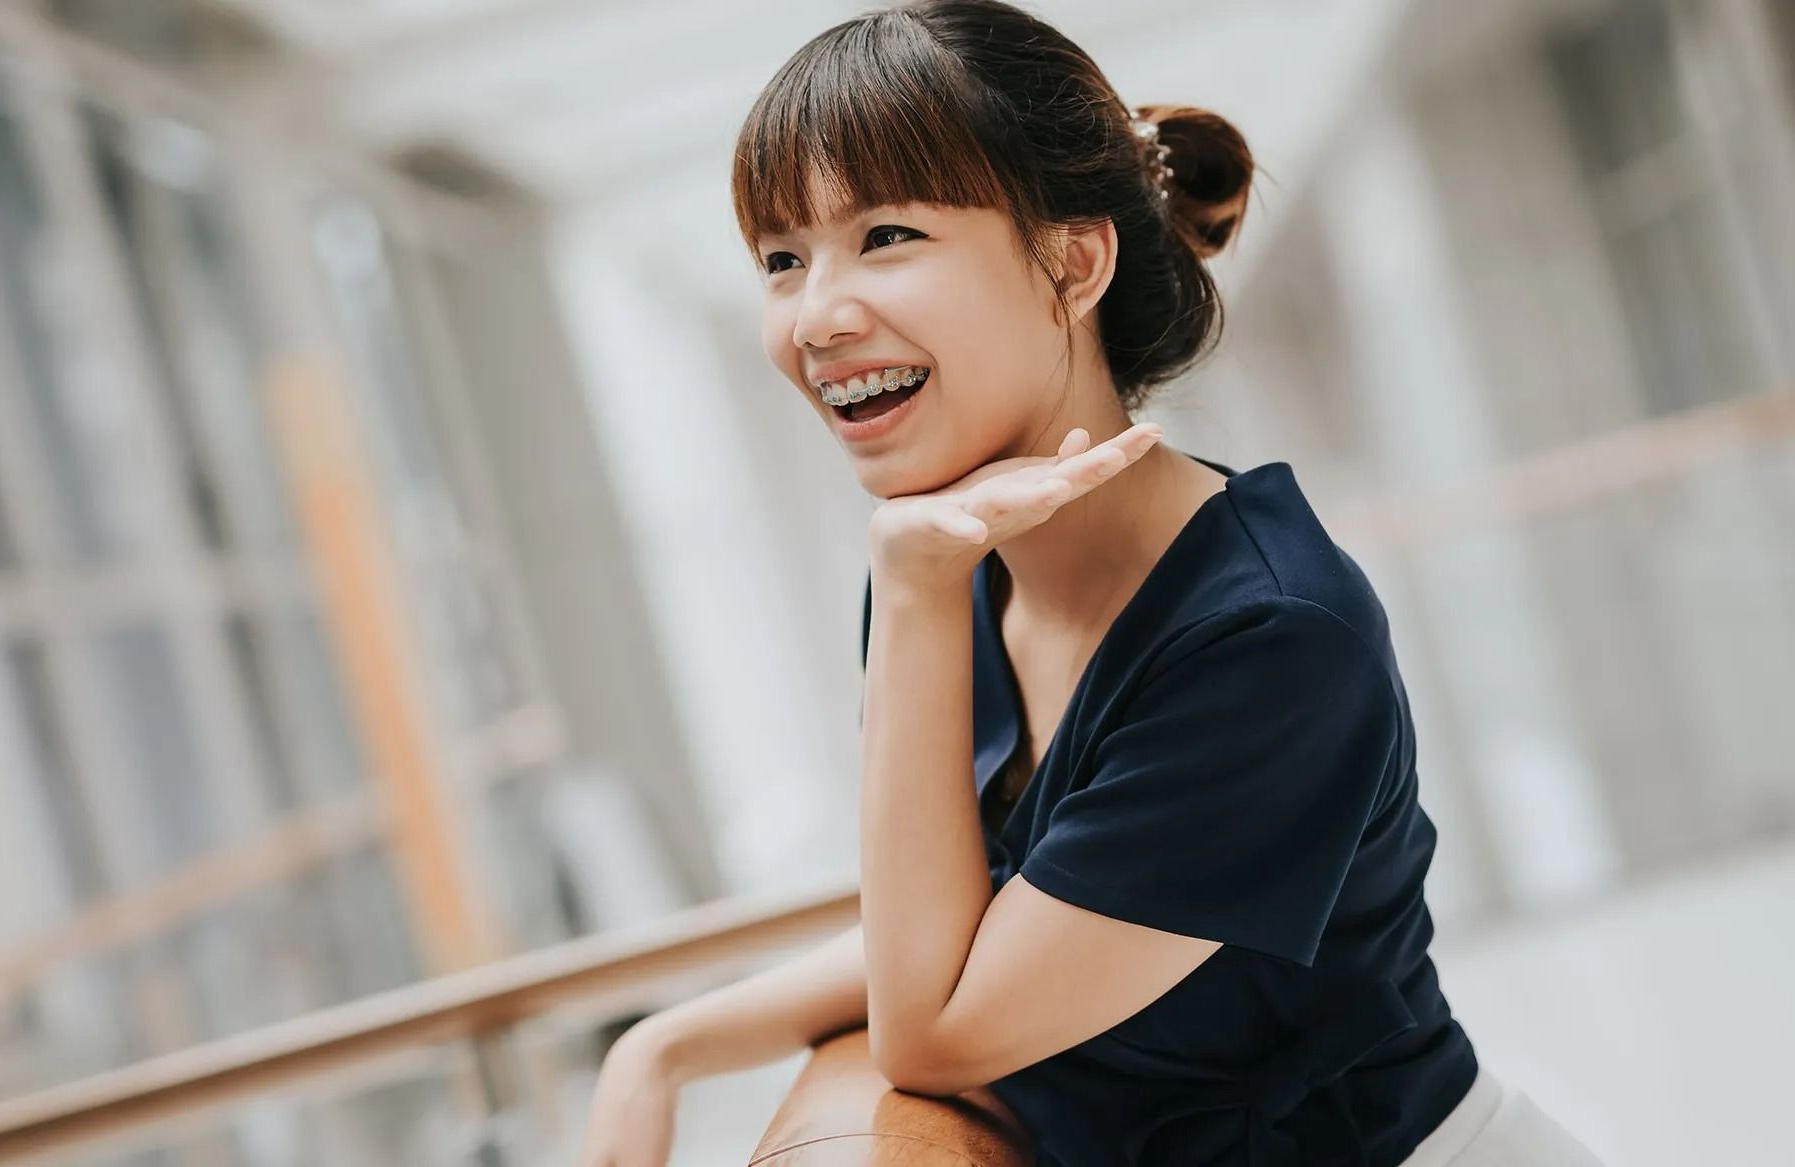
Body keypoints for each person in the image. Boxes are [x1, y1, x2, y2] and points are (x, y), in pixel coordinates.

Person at [576, 2, 1606, 1164]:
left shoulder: (1269, 637)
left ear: (1073, 262)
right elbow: (972, 926)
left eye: (887, 236)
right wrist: (659, 1048)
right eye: (780, 258)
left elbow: (938, 1030)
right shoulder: (953, 571)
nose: (816, 317)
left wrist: (910, 597)